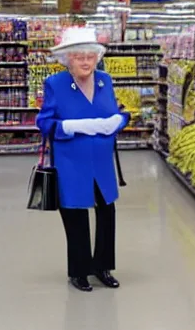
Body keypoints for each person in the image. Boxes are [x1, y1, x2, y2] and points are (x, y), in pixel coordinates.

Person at [36, 27, 130, 292]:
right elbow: (44, 122)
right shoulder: (55, 84)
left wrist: (120, 121)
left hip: (101, 164)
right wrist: (71, 127)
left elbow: (116, 112)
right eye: (79, 57)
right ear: (68, 59)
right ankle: (78, 271)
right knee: (76, 216)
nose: (86, 62)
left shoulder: (105, 80)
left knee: (106, 213)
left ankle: (102, 267)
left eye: (90, 56)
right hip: (71, 164)